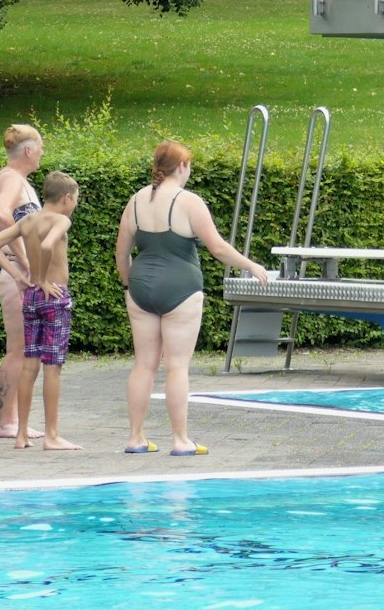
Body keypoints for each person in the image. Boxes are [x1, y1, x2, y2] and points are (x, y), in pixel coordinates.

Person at [115, 141, 274, 457]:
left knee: (144, 365)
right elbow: (217, 248)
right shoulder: (189, 202)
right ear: (183, 166)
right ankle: (180, 440)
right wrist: (252, 265)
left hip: (141, 286)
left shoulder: (136, 201)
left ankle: (135, 438)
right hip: (181, 288)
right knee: (177, 366)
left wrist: (129, 285)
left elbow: (121, 253)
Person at [0, 171, 81, 451]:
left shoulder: (27, 220)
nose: (74, 204)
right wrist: (41, 277)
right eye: (75, 199)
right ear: (66, 198)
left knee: (30, 365)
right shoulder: (61, 219)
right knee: (53, 368)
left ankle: (22, 434)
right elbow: (50, 243)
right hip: (54, 295)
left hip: (30, 298)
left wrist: (19, 273)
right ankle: (52, 436)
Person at [0, 124, 45, 438]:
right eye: (40, 149)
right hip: (14, 273)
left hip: (14, 272)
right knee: (19, 349)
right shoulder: (12, 179)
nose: (41, 155)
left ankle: (12, 419)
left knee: (24, 349)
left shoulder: (13, 179)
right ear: (28, 150)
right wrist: (24, 262)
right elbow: (1, 215)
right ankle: (7, 422)